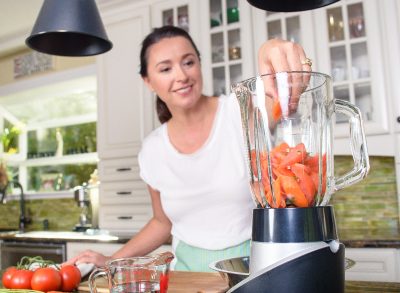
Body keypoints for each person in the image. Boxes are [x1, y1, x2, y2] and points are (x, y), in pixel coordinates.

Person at [65, 26, 312, 272]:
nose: (181, 75)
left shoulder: (239, 111)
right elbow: (162, 223)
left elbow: (281, 92)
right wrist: (112, 261)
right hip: (185, 276)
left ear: (199, 64)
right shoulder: (152, 150)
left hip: (254, 267)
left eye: (188, 62)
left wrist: (271, 48)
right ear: (148, 81)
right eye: (165, 69)